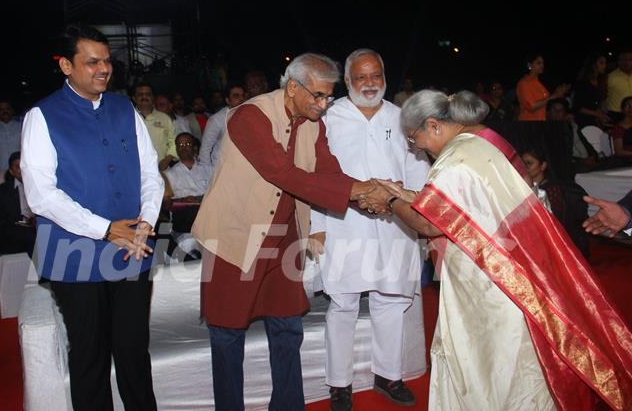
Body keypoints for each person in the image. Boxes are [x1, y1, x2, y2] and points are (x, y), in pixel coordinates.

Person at [380, 90, 632, 410]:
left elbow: (427, 223)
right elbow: (470, 205)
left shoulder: (454, 160)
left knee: (488, 367)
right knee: (522, 360)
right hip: (516, 267)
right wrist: (408, 194)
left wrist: (391, 201)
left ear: (433, 125)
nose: (417, 148)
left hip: (489, 282)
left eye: (414, 139)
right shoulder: (485, 139)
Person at [191, 53, 394, 411]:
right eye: (318, 96)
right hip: (234, 236)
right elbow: (282, 173)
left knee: (287, 330)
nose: (324, 104)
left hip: (284, 239)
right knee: (227, 335)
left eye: (328, 96)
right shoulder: (249, 115)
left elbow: (329, 172)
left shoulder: (314, 122)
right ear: (292, 87)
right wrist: (360, 192)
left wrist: (371, 190)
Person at [20, 24, 165, 411]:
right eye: (92, 62)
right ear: (67, 66)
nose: (104, 69)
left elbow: (150, 171)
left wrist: (146, 221)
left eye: (107, 61)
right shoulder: (42, 116)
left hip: (132, 250)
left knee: (134, 351)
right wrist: (103, 229)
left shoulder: (124, 108)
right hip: (74, 256)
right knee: (89, 357)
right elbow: (41, 195)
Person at [307, 49, 428, 409]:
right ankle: (339, 384)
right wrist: (317, 225)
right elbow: (315, 176)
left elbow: (417, 169)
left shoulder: (402, 117)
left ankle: (388, 375)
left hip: (395, 225)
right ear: (347, 82)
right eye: (361, 77)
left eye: (376, 75)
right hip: (343, 225)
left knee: (390, 301)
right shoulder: (329, 118)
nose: (370, 83)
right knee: (342, 303)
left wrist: (420, 217)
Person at [0, 152, 35, 263]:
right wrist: (24, 223)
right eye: (18, 167)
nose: (22, 170)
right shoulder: (1, 192)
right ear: (11, 171)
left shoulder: (42, 188)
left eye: (24, 166)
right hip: (15, 230)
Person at [131, 82, 178, 170]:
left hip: (161, 168)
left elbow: (174, 141)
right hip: (135, 169)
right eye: (140, 94)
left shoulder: (164, 118)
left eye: (148, 94)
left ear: (153, 97)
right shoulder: (128, 118)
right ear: (134, 98)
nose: (144, 97)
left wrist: (167, 159)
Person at [198, 83, 246, 167]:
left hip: (242, 165)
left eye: (243, 96)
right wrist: (208, 174)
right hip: (221, 167)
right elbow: (205, 150)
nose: (241, 99)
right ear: (227, 100)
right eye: (236, 96)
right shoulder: (216, 120)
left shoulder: (248, 116)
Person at [515, 53, 569, 121]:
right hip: (528, 123)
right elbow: (531, 106)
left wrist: (559, 93)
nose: (542, 65)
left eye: (543, 63)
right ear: (529, 65)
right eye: (538, 63)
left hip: (541, 123)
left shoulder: (540, 85)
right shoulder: (524, 83)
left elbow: (548, 103)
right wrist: (554, 96)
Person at [605, 48, 632, 120]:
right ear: (618, 61)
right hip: (616, 115)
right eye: (622, 60)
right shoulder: (610, 77)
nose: (626, 62)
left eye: (629, 59)